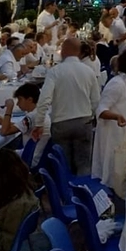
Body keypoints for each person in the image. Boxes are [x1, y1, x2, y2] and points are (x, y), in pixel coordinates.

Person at [31, 37, 100, 176]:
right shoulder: (88, 71)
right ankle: (82, 193)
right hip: (83, 121)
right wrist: (90, 116)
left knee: (63, 165)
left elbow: (44, 99)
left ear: (65, 51)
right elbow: (96, 101)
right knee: (84, 164)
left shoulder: (55, 72)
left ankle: (65, 194)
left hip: (61, 122)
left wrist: (39, 123)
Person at [92, 49, 126, 195]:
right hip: (113, 138)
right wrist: (116, 116)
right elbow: (100, 110)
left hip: (122, 137)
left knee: (121, 173)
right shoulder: (117, 84)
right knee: (114, 173)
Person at [0, 83, 46, 165]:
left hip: (31, 159)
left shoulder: (31, 117)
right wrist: (5, 122)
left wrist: (9, 108)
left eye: (20, 99)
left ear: (30, 100)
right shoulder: (39, 113)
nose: (17, 104)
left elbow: (4, 132)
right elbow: (20, 126)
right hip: (38, 155)